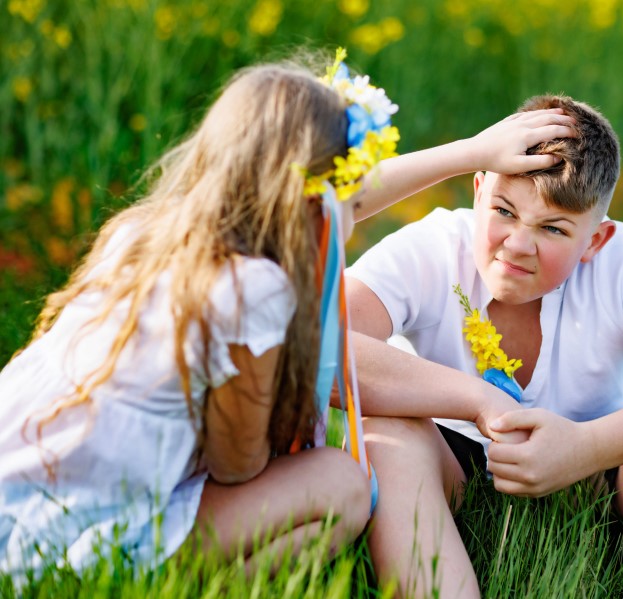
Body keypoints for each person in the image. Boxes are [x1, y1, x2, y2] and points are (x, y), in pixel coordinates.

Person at [0, 51, 574, 585]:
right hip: (72, 539)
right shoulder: (254, 289)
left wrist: (472, 154)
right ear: (317, 204)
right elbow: (237, 464)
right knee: (342, 486)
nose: (358, 213)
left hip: (18, 499)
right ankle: (148, 587)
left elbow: (323, 198)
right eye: (350, 200)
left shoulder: (146, 233)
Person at [345, 94, 623, 598]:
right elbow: (316, 346)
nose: (517, 243)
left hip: (598, 475)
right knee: (383, 431)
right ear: (477, 191)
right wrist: (476, 400)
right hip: (449, 464)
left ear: (595, 240)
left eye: (553, 228)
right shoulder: (432, 247)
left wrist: (586, 449)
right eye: (503, 210)